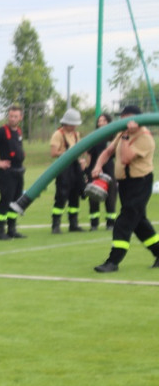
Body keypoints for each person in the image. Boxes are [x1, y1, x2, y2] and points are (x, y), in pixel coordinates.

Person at [92, 104, 159, 273]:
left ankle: (113, 261)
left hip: (140, 182)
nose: (122, 123)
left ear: (135, 120)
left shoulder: (145, 138)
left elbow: (126, 158)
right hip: (125, 183)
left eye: (125, 119)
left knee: (124, 221)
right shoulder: (123, 134)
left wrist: (127, 136)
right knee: (139, 223)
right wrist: (97, 166)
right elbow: (108, 151)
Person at [0, 104, 28, 240]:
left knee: (16, 201)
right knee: (5, 200)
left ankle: (12, 229)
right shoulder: (1, 131)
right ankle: (0, 232)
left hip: (19, 171)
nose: (12, 119)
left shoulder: (19, 131)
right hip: (7, 172)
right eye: (10, 116)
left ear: (20, 117)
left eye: (15, 116)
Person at [48, 109, 89, 234]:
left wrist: (82, 161)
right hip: (63, 167)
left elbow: (82, 150)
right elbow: (53, 153)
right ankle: (56, 225)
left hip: (76, 167)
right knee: (61, 195)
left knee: (75, 196)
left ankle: (73, 224)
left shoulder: (76, 134)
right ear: (67, 123)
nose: (75, 126)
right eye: (73, 124)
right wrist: (68, 153)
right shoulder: (58, 134)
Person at [86, 113, 119, 230]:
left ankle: (111, 223)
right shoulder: (94, 137)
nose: (101, 123)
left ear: (109, 122)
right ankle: (94, 224)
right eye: (99, 121)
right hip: (94, 170)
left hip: (109, 169)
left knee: (111, 197)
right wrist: (87, 171)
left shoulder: (114, 137)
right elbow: (88, 155)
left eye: (104, 121)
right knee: (93, 196)